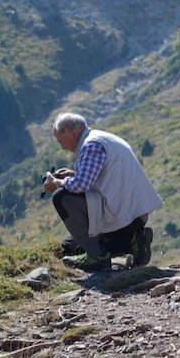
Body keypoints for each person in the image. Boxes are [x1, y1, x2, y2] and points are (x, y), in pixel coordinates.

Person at [42, 112, 163, 271]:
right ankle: (135, 242)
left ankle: (97, 256)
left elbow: (80, 185)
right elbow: (105, 178)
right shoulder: (102, 138)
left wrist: (57, 183)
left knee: (61, 198)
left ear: (68, 132)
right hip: (135, 214)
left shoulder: (91, 145)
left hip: (121, 216)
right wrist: (73, 174)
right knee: (71, 245)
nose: (62, 146)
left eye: (60, 141)